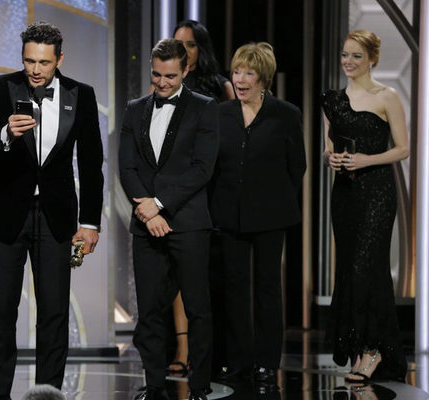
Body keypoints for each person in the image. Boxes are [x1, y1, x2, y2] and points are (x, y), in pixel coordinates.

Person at [0, 21, 104, 400]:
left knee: (54, 313)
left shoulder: (82, 94)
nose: (35, 69)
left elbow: (91, 162)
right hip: (4, 215)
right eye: (29, 60)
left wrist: (90, 222)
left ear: (59, 59)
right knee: (0, 312)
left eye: (44, 63)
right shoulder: (0, 88)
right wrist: (4, 134)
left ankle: (48, 394)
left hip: (56, 217)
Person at [119, 38, 219, 400]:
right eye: (157, 75)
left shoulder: (205, 109)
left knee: (197, 308)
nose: (162, 83)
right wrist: (146, 210)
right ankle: (155, 385)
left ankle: (199, 386)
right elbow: (126, 166)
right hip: (147, 224)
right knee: (149, 309)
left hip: (188, 222)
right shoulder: (135, 109)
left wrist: (158, 204)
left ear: (186, 70)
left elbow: (202, 169)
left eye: (170, 76)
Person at [211, 42, 306, 387]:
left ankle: (267, 362)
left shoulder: (285, 114)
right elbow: (213, 166)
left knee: (267, 288)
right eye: (237, 71)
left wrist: (273, 198)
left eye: (249, 72)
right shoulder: (220, 114)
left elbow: (298, 167)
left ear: (263, 77)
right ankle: (238, 360)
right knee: (234, 288)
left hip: (270, 215)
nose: (240, 79)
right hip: (228, 215)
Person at [322, 29, 409, 383]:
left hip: (377, 193)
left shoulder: (387, 97)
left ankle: (374, 349)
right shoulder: (332, 99)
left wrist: (367, 159)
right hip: (344, 194)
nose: (348, 62)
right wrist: (332, 158)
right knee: (348, 268)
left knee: (366, 269)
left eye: (356, 56)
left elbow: (403, 148)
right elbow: (329, 146)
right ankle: (358, 348)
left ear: (372, 58)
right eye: (345, 55)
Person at [167, 19, 235, 378]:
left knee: (204, 276)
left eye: (190, 45)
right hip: (173, 191)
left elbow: (235, 139)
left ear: (201, 50)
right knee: (177, 274)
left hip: (210, 191)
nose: (183, 51)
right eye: (177, 44)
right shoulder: (166, 85)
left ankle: (208, 351)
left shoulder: (220, 88)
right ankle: (182, 347)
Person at [174, 20, 235, 102]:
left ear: (201, 47)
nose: (184, 50)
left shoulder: (222, 85)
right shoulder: (163, 82)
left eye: (191, 45)